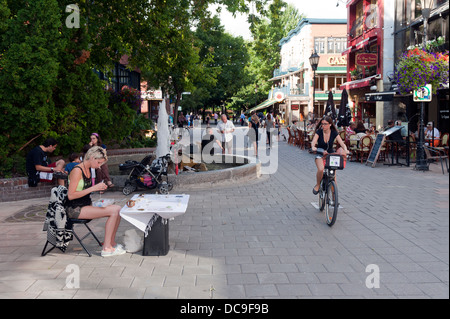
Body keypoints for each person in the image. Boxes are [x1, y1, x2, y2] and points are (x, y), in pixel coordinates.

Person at [66, 146, 125, 257]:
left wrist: (97, 191)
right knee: (114, 211)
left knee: (117, 209)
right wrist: (93, 188)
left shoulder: (88, 169)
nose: (99, 166)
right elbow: (70, 196)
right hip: (74, 209)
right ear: (92, 158)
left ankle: (111, 243)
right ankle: (106, 248)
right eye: (98, 162)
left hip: (84, 205)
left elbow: (83, 191)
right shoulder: (77, 171)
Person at [311, 116, 349, 195]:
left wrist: (345, 149)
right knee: (321, 169)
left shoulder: (334, 132)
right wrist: (313, 147)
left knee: (333, 177)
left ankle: (334, 198)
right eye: (322, 124)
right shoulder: (319, 132)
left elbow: (342, 143)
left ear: (330, 124)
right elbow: (313, 142)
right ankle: (318, 185)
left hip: (330, 155)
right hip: (320, 153)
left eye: (325, 124)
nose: (323, 126)